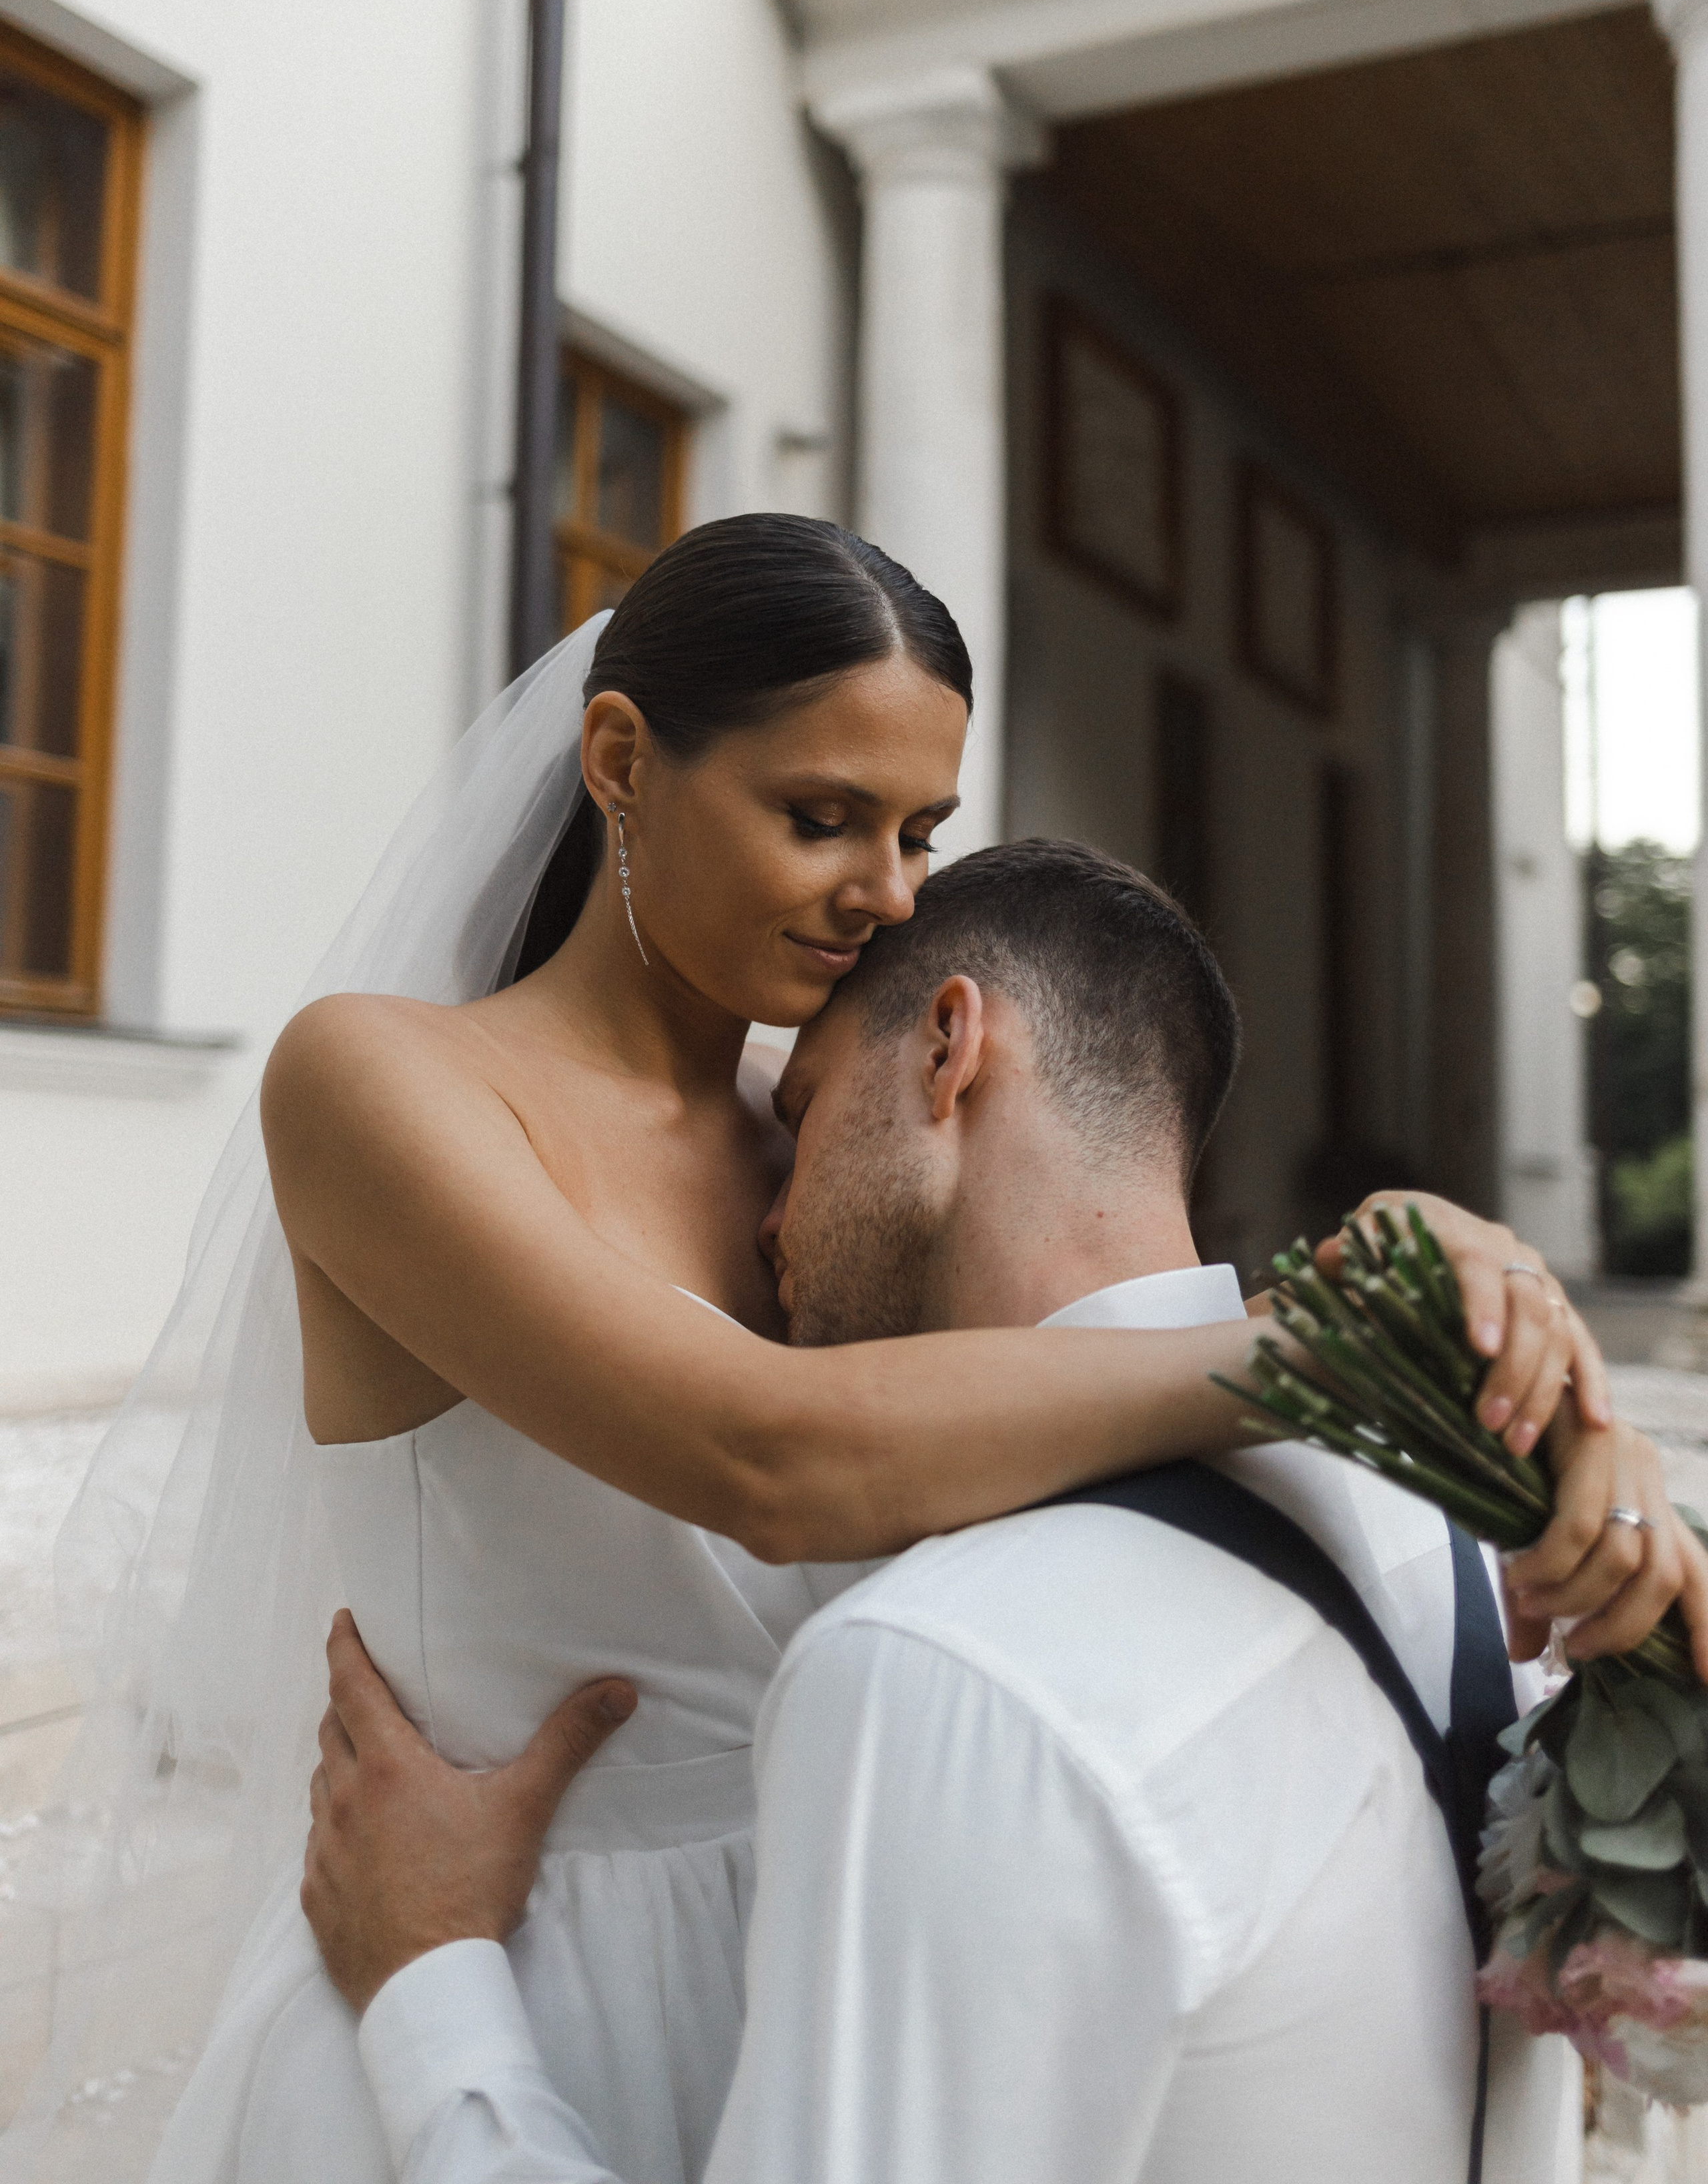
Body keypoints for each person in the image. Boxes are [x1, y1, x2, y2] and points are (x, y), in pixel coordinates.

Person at [9, 518, 1607, 2183]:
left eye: (920, 830)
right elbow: (764, 1454)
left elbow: (1032, 1369)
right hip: (519, 1944)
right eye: (820, 817)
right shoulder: (382, 1084)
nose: (893, 893)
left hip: (850, 1905)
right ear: (621, 760)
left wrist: (1444, 1273)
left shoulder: (821, 1150)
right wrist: (1312, 1347)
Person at [301, 842, 1699, 2184]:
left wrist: (432, 1983)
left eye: (797, 1120)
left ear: (945, 1048)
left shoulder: (943, 1665)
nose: (762, 1225)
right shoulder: (1445, 1524)